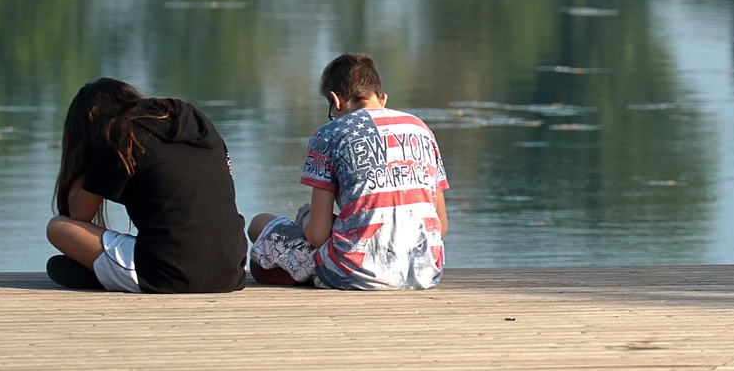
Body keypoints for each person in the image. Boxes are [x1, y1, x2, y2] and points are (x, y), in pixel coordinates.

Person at [248, 53, 449, 290]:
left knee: (259, 225)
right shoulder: (420, 129)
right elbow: (441, 226)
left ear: (336, 100)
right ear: (382, 98)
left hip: (357, 272)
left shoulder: (328, 134)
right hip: (424, 271)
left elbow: (317, 235)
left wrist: (305, 216)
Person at [45, 78, 248, 293]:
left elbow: (78, 215)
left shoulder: (122, 133)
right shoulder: (198, 124)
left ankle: (110, 275)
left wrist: (83, 156)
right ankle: (110, 274)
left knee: (58, 228)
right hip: (231, 272)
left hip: (167, 274)